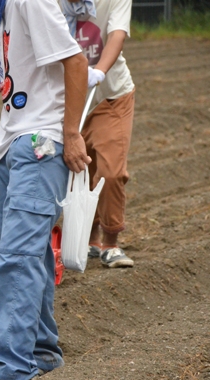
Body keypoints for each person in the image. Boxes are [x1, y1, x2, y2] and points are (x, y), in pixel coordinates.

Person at [0, 0, 89, 380]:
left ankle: (13, 366)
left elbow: (76, 62)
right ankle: (43, 351)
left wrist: (71, 133)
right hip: (14, 142)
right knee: (32, 255)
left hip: (41, 144)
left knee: (14, 255)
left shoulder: (29, 1)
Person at [62, 0, 136, 268]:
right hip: (72, 99)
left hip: (111, 95)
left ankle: (111, 242)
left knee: (111, 170)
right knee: (81, 169)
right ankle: (90, 239)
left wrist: (99, 71)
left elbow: (117, 35)